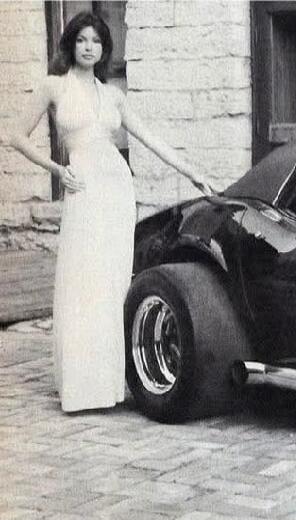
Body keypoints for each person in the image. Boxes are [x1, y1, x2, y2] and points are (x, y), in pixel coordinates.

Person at [5, 11, 218, 412]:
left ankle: (108, 387)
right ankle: (81, 388)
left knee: (111, 284)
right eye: (82, 39)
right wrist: (56, 169)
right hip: (82, 186)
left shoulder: (113, 95)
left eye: (97, 41)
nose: (89, 47)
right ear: (71, 43)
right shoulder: (54, 86)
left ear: (104, 49)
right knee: (81, 280)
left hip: (116, 190)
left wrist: (194, 173)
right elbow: (15, 135)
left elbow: (151, 139)